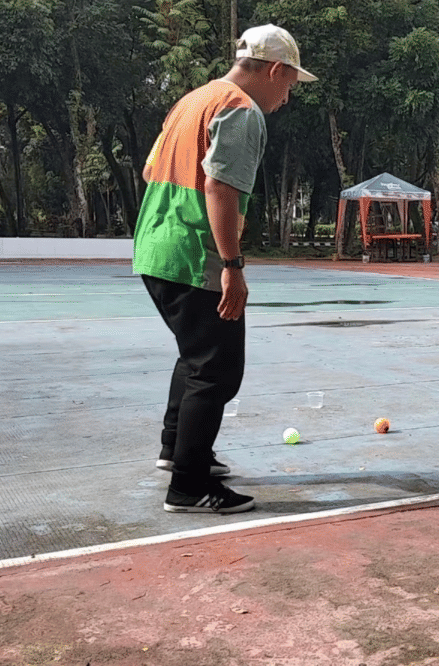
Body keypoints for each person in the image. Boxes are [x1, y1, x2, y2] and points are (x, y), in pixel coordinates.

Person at [133, 25, 316, 513]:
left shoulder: (194, 100)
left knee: (196, 357)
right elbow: (219, 187)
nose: (286, 96)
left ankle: (178, 453)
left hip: (156, 246)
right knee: (217, 370)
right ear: (274, 70)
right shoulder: (241, 109)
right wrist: (233, 265)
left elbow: (152, 171)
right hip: (195, 254)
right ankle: (190, 487)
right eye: (290, 85)